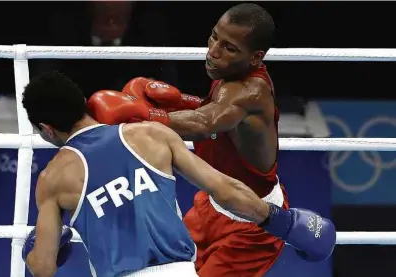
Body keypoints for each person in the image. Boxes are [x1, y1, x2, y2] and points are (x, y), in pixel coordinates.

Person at [88, 3, 325, 277]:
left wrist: (143, 114)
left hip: (249, 222)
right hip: (211, 204)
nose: (213, 51)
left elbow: (206, 123)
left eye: (229, 48)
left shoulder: (251, 91)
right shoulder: (228, 76)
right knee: (156, 268)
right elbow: (212, 112)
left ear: (255, 58)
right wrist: (176, 101)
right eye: (214, 37)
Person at [20, 72, 335, 277]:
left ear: (46, 129)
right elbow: (224, 190)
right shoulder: (149, 135)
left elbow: (44, 268)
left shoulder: (53, 179)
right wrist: (285, 223)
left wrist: (34, 252)